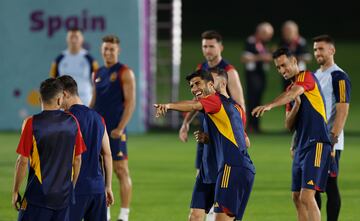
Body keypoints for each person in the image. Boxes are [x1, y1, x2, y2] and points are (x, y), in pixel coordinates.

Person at [155, 69, 255, 221]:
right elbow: (245, 140)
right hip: (210, 167)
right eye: (191, 86)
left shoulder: (216, 100)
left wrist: (168, 106)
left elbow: (193, 106)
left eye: (197, 84)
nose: (194, 89)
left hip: (230, 167)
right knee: (194, 216)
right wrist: (211, 138)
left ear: (212, 84)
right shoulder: (234, 108)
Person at [252, 47, 332, 221]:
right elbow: (288, 124)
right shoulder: (291, 89)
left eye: (284, 65)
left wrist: (270, 105)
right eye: (278, 68)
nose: (282, 70)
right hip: (301, 147)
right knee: (296, 196)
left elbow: (293, 93)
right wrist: (296, 106)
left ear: (294, 61)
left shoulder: (305, 77)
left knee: (306, 196)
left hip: (316, 143)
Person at [12, 78, 86, 221]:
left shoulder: (30, 123)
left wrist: (15, 191)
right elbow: (77, 160)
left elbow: (22, 161)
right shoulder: (73, 122)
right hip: (64, 198)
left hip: (37, 198)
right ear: (60, 99)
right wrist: (71, 187)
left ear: (40, 98)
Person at [90, 35, 136, 221]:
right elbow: (94, 102)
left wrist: (120, 127)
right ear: (101, 50)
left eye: (112, 49)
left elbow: (131, 103)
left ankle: (124, 215)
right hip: (99, 130)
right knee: (99, 171)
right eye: (105, 49)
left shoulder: (125, 72)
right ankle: (105, 213)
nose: (108, 52)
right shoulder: (97, 73)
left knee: (121, 170)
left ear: (118, 50)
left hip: (115, 131)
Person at [58, 75, 114, 221]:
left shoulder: (65, 119)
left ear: (65, 93)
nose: (58, 102)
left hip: (73, 188)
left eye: (58, 97)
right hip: (97, 188)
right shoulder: (98, 118)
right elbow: (107, 154)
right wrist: (108, 187)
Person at [312, 35, 351, 221]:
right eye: (315, 49)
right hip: (313, 140)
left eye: (321, 49)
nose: (317, 53)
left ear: (332, 50)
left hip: (329, 141)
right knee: (311, 187)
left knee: (330, 185)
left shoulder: (339, 76)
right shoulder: (315, 75)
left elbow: (342, 110)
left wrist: (332, 141)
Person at [50, 28, 99, 106]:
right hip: (65, 102)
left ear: (82, 39)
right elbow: (53, 84)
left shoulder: (90, 60)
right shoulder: (59, 60)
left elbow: (97, 83)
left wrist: (94, 103)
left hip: (86, 101)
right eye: (71, 37)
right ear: (67, 39)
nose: (73, 40)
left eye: (76, 37)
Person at [240, 22, 274, 133]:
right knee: (252, 100)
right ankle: (250, 125)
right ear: (260, 32)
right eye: (267, 34)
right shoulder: (251, 42)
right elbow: (244, 58)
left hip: (261, 74)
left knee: (258, 100)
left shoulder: (263, 43)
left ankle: (256, 126)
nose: (269, 37)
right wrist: (263, 57)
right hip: (253, 75)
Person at [279, 20, 312, 90]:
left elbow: (308, 57)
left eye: (288, 31)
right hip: (286, 72)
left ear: (295, 31)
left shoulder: (301, 42)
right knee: (286, 91)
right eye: (284, 31)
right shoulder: (283, 42)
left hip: (299, 72)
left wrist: (294, 58)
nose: (285, 33)